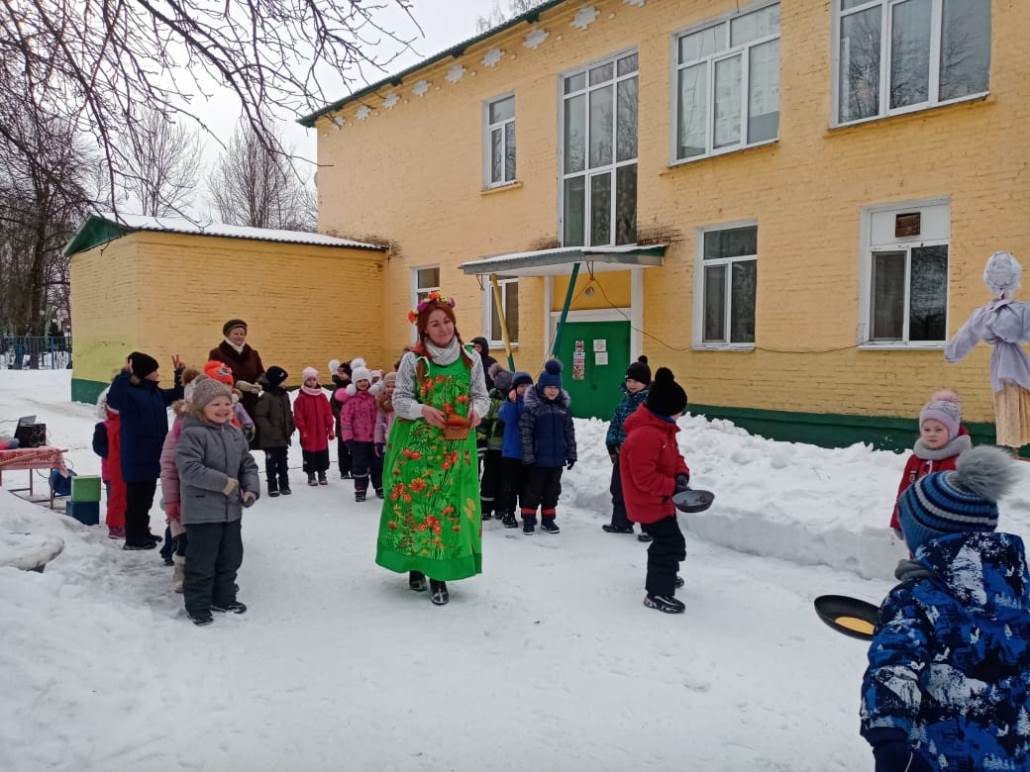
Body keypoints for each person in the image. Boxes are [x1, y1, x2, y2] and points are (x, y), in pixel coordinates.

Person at [860, 446, 1028, 771]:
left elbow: (894, 669)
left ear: (922, 536)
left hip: (941, 756)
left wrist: (889, 740)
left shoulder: (913, 598)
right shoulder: (1020, 588)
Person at [375, 291, 489, 606]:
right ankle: (416, 564)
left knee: (446, 510)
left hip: (455, 448)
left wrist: (475, 412)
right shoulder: (414, 359)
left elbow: (482, 395)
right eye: (435, 324)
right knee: (417, 508)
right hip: (417, 447)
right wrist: (423, 411)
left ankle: (439, 574)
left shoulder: (470, 358)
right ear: (424, 329)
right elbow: (399, 400)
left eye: (447, 322)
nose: (443, 329)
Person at [176, 378, 260, 626]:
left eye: (227, 403)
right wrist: (223, 483)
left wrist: (251, 489)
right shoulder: (192, 434)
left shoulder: (234, 434)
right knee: (202, 561)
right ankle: (198, 605)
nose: (224, 408)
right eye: (216, 404)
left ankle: (223, 598)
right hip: (202, 512)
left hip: (231, 511)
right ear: (201, 407)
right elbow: (188, 469)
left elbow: (247, 464)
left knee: (230, 557)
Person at [620, 367, 691, 614]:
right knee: (667, 544)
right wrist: (673, 487)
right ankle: (657, 592)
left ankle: (667, 575)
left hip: (662, 500)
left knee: (672, 542)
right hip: (648, 502)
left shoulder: (663, 430)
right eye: (679, 411)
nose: (681, 415)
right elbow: (644, 478)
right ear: (666, 409)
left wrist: (681, 474)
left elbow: (675, 457)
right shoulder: (645, 436)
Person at [945, 251, 1030, 455]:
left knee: (1010, 401)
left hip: (1002, 366)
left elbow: (964, 339)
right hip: (1017, 365)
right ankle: (1016, 446)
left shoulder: (982, 315)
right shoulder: (1023, 311)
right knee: (1017, 400)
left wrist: (950, 353)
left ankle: (1015, 444)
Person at [106, 351, 184, 550]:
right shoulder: (128, 393)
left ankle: (142, 532)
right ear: (143, 372)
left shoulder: (153, 392)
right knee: (136, 500)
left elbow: (176, 396)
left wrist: (179, 375)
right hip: (136, 454)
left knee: (146, 497)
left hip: (152, 454)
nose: (157, 374)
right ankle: (133, 538)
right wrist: (125, 375)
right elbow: (113, 399)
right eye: (154, 370)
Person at [888, 390, 970, 537]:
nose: (932, 433)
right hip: (916, 528)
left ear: (952, 431)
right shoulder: (915, 459)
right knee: (917, 559)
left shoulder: (960, 461)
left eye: (939, 429)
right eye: (927, 429)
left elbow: (968, 502)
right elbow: (903, 492)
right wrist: (899, 522)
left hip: (947, 532)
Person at [518, 360, 576, 535]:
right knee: (533, 491)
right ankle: (528, 518)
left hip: (557, 459)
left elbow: (569, 432)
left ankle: (548, 519)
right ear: (541, 387)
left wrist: (571, 454)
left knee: (552, 491)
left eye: (556, 388)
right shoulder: (533, 409)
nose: (552, 391)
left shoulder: (563, 410)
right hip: (537, 460)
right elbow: (525, 432)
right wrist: (528, 455)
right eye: (549, 387)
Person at [159, 368, 204, 590]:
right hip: (185, 494)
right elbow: (168, 466)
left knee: (207, 540)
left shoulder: (220, 424)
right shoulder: (180, 426)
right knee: (185, 538)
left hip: (210, 497)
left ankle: (206, 576)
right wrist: (170, 500)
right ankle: (181, 571)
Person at [603, 356, 651, 541]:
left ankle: (649, 528)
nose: (631, 385)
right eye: (629, 380)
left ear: (645, 383)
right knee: (618, 488)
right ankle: (621, 523)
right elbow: (615, 424)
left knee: (643, 491)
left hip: (641, 457)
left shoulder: (649, 404)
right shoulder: (624, 401)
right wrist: (611, 444)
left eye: (636, 381)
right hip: (621, 454)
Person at [208, 319, 265, 439]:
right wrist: (236, 384)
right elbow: (213, 375)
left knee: (249, 439)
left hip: (251, 403)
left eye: (242, 334)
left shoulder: (253, 354)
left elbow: (261, 373)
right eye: (236, 333)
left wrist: (258, 383)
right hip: (229, 403)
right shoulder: (217, 353)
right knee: (232, 440)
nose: (239, 337)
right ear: (228, 335)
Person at [497, 371, 533, 529]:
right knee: (510, 486)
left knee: (527, 486)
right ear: (514, 388)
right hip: (511, 453)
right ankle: (508, 513)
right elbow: (507, 418)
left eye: (528, 386)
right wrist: (511, 402)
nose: (525, 389)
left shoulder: (534, 403)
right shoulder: (509, 404)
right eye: (521, 386)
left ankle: (527, 513)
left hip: (528, 453)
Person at [341, 364, 380, 501]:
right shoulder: (351, 401)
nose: (363, 383)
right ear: (354, 383)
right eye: (359, 381)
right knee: (360, 466)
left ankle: (379, 487)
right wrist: (348, 438)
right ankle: (360, 489)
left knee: (377, 465)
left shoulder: (374, 398)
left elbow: (380, 417)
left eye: (365, 380)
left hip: (375, 440)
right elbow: (345, 420)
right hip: (358, 440)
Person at [477, 368, 512, 520]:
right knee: (489, 477)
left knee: (504, 478)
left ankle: (500, 507)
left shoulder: (511, 400)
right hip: (492, 447)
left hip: (507, 447)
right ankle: (485, 508)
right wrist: (482, 441)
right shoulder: (490, 400)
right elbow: (483, 423)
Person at [253, 366, 294, 497]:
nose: (285, 383)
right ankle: (272, 486)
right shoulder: (267, 397)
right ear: (275, 382)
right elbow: (260, 416)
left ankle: (284, 484)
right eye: (283, 381)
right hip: (270, 438)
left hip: (283, 435)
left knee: (283, 462)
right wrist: (269, 430)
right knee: (271, 463)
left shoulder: (284, 395)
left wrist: (291, 424)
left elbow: (288, 412)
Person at [92, 388, 126, 540]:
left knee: (127, 498)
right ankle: (115, 526)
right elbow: (98, 447)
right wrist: (113, 452)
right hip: (111, 469)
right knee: (114, 498)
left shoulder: (125, 425)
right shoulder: (102, 427)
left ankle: (127, 524)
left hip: (126, 467)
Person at [293, 367, 334, 486]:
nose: (311, 382)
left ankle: (322, 473)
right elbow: (298, 416)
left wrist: (330, 427)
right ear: (305, 381)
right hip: (308, 432)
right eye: (309, 379)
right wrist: (302, 429)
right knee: (309, 453)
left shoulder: (322, 397)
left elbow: (328, 413)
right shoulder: (301, 399)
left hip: (321, 431)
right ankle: (311, 474)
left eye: (314, 379)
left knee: (322, 452)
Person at [328, 359, 353, 479]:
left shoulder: (353, 389)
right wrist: (342, 416)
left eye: (343, 373)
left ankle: (354, 468)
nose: (340, 375)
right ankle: (344, 470)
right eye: (339, 373)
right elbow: (333, 406)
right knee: (343, 448)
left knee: (354, 448)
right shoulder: (337, 389)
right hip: (342, 425)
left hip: (355, 425)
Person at [373, 372, 397, 466]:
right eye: (388, 386)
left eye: (394, 386)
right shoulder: (383, 403)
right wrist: (378, 441)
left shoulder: (403, 403)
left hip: (401, 439)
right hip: (388, 440)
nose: (390, 389)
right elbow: (379, 424)